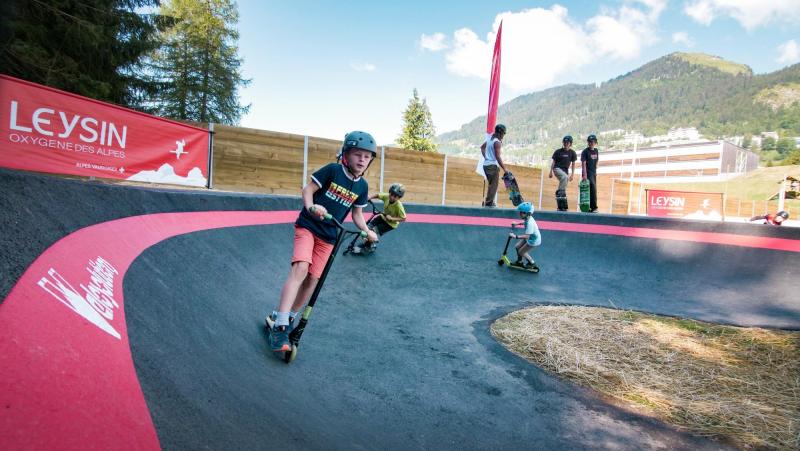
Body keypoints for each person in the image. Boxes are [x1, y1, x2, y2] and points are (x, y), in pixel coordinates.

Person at [266, 130, 379, 352]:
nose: (362, 160)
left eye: (367, 156)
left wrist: (367, 230)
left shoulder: (362, 187)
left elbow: (356, 214)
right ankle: (279, 326)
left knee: (312, 280)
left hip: (329, 237)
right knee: (301, 268)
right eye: (358, 154)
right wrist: (311, 207)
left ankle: (288, 317)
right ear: (346, 154)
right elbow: (308, 190)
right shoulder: (333, 170)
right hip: (309, 226)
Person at [352, 182, 407, 252]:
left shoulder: (399, 206)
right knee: (367, 228)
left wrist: (392, 218)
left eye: (395, 196)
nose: (392, 197)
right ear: (389, 192)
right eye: (391, 194)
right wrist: (369, 197)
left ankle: (369, 247)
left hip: (389, 224)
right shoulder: (387, 196)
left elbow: (403, 218)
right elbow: (378, 195)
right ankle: (370, 241)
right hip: (382, 217)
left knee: (372, 232)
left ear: (399, 197)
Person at [480, 124, 509, 207]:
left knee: (491, 184)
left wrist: (486, 157)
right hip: (492, 166)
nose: (503, 136)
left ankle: (490, 202)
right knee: (494, 185)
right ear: (500, 133)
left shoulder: (490, 139)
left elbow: (482, 148)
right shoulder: (497, 142)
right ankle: (489, 203)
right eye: (503, 134)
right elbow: (497, 156)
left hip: (486, 165)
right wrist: (505, 169)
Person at [509, 202, 541, 270]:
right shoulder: (528, 218)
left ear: (528, 213)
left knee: (521, 252)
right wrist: (517, 224)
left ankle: (532, 263)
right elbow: (525, 222)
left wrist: (515, 236)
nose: (520, 214)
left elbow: (527, 236)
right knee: (517, 247)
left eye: (522, 212)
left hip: (533, 240)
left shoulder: (530, 223)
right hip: (531, 237)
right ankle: (519, 262)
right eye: (520, 212)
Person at [549, 135, 577, 211]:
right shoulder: (558, 152)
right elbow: (553, 162)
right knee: (565, 178)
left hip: (565, 172)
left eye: (567, 142)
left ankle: (560, 203)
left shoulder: (572, 153)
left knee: (565, 180)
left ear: (570, 144)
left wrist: (572, 175)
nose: (566, 144)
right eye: (564, 142)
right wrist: (550, 172)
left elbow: (573, 164)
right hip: (557, 168)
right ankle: (560, 192)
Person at [580, 134, 600, 213]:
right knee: (591, 189)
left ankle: (590, 208)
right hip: (587, 172)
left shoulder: (596, 151)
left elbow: (597, 160)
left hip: (593, 172)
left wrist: (596, 170)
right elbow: (583, 164)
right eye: (590, 142)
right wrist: (584, 175)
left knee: (592, 190)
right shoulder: (585, 152)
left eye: (593, 141)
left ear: (595, 142)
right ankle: (594, 207)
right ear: (588, 142)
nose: (591, 143)